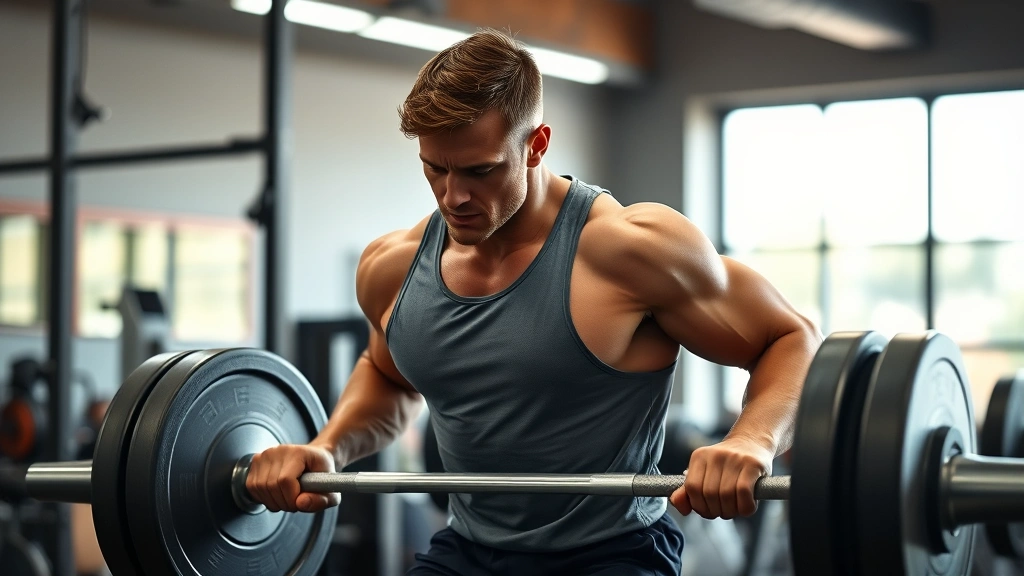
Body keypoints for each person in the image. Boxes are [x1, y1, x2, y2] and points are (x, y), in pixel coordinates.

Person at [246, 28, 822, 575]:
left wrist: (752, 439)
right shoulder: (392, 268)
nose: (455, 196)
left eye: (480, 170)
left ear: (536, 144)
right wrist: (328, 448)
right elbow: (390, 376)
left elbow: (792, 337)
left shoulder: (630, 251)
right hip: (467, 550)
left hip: (613, 553)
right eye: (434, 169)